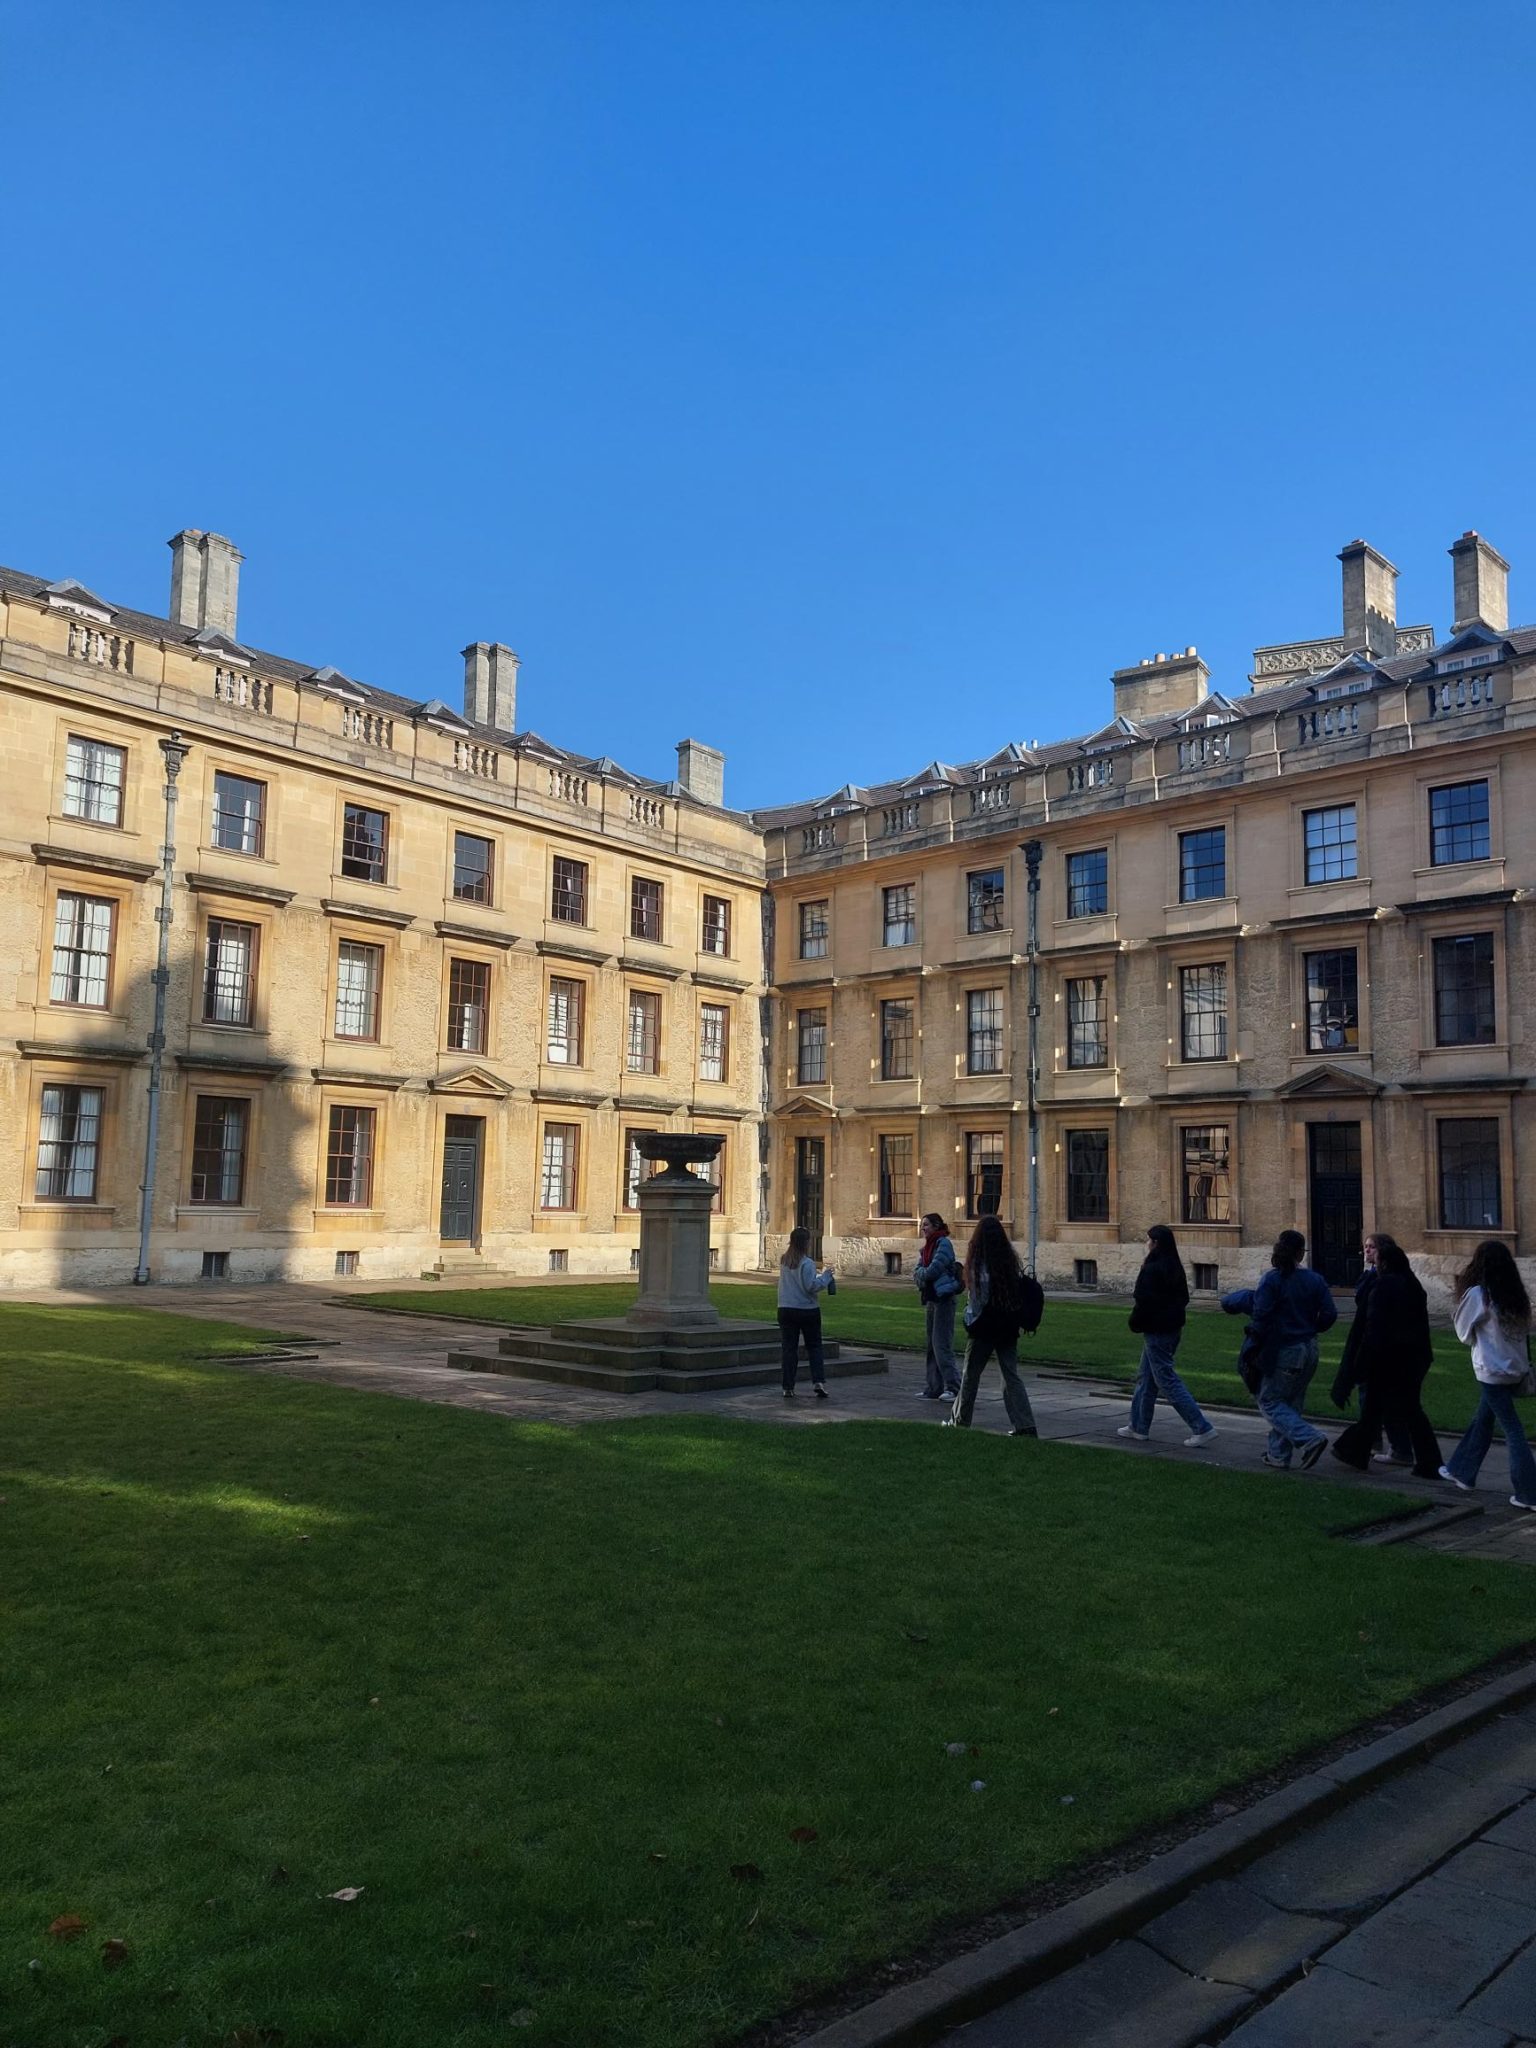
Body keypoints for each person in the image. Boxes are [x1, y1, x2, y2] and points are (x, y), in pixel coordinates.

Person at [1222, 1229, 1338, 1471]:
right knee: (1291, 1401)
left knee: (1269, 1400)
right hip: (1310, 1348)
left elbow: (1261, 1315)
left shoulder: (1272, 1280)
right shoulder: (1314, 1280)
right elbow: (1329, 1315)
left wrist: (1255, 1344)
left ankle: (1309, 1438)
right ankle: (1277, 1455)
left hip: (1285, 1349)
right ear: (1300, 1253)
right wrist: (1309, 1327)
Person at [1328, 1236, 1442, 1478]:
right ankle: (1426, 1461)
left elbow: (1374, 1329)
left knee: (1375, 1408)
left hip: (1388, 1359)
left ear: (1385, 1263)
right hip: (1415, 1357)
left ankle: (1356, 1451)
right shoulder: (1413, 1285)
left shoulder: (1383, 1287)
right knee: (1407, 1410)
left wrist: (1361, 1363)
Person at [1440, 1240, 1536, 1511]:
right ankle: (1461, 1471)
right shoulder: (1515, 1295)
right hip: (1516, 1368)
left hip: (1492, 1370)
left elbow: (1462, 1332)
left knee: (1513, 1430)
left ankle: (1529, 1493)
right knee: (1483, 1420)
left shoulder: (1479, 1295)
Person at [1117, 1224, 1217, 1448]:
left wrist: (1136, 1322)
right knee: (1146, 1377)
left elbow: (1142, 1299)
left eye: (1149, 1240)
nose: (1147, 1244)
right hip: (1172, 1329)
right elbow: (1183, 1299)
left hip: (1157, 1330)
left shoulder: (1152, 1269)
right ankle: (1138, 1426)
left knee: (1166, 1380)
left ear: (1156, 1243)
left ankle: (1202, 1427)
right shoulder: (1174, 1266)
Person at [943, 1214, 1041, 1436]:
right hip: (1007, 1325)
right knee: (1010, 1375)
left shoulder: (978, 1262)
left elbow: (978, 1300)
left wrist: (969, 1320)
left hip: (985, 1327)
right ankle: (1025, 1425)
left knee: (970, 1375)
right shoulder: (1009, 1259)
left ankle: (960, 1421)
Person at [1330, 1233, 1415, 1466]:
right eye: (1365, 1247)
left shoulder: (1387, 1281)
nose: (1366, 1251)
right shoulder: (1372, 1276)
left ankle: (1390, 1447)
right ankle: (1377, 1443)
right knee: (1376, 1400)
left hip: (1382, 1350)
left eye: (1372, 1247)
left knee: (1379, 1400)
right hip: (1381, 1349)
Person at [777, 1227, 834, 1399]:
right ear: (806, 1242)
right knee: (814, 1347)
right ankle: (818, 1381)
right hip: (807, 1309)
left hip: (786, 1307)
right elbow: (811, 1286)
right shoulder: (807, 1263)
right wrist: (826, 1277)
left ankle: (788, 1386)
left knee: (789, 1349)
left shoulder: (784, 1260)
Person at [913, 1213, 964, 1401]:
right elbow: (917, 1270)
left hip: (944, 1299)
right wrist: (922, 1273)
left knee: (941, 1344)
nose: (923, 1228)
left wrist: (922, 1274)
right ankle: (933, 1387)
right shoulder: (927, 1247)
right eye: (921, 1225)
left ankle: (954, 1387)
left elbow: (934, 1269)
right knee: (931, 1346)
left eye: (926, 1225)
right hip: (932, 1299)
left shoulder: (943, 1244)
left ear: (936, 1226)